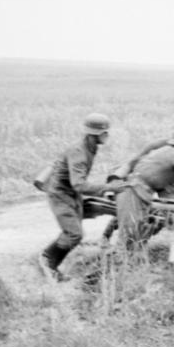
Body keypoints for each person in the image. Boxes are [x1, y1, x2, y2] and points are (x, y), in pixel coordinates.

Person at [37, 113, 126, 282]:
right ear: (96, 134)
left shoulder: (89, 148)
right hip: (60, 194)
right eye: (105, 132)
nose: (107, 135)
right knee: (74, 234)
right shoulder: (79, 152)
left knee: (74, 230)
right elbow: (79, 185)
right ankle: (47, 260)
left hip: (70, 194)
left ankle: (50, 265)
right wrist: (109, 187)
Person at [99, 121, 174, 245]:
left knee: (166, 215)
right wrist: (115, 181)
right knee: (130, 209)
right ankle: (106, 235)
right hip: (146, 180)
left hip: (167, 184)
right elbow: (134, 161)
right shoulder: (157, 145)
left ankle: (143, 240)